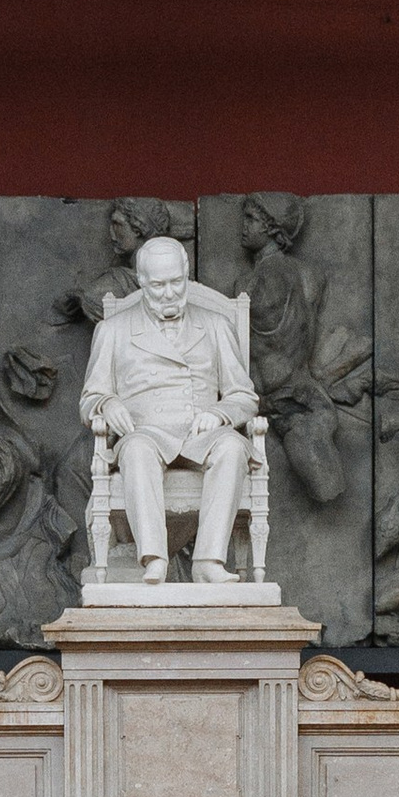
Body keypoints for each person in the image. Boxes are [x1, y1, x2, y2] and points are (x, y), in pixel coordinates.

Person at [79, 233, 258, 585]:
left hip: (201, 433)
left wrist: (221, 414)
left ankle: (208, 561)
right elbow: (89, 398)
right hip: (145, 433)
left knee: (234, 446)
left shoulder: (217, 325)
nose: (169, 293)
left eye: (177, 282)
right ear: (142, 281)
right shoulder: (112, 330)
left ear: (187, 274)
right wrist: (107, 402)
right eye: (158, 285)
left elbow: (245, 396)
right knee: (137, 451)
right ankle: (154, 559)